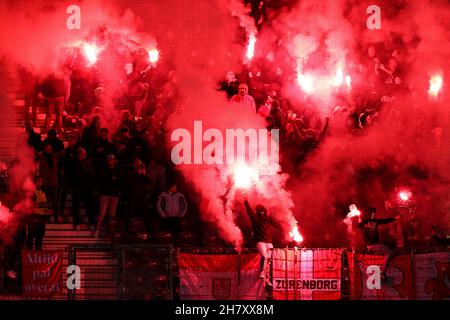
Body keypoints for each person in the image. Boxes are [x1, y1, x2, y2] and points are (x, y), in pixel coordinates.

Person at [358, 207, 400, 282]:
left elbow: (385, 220)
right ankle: (383, 272)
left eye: (374, 213)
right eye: (373, 213)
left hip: (372, 246)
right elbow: (359, 226)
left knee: (383, 253)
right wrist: (395, 218)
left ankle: (380, 268)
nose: (374, 215)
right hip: (374, 245)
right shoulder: (367, 222)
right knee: (390, 253)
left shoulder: (368, 222)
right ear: (370, 214)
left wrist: (394, 218)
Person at [242, 192, 273, 285]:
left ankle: (267, 280)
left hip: (269, 242)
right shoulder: (254, 218)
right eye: (259, 211)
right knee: (265, 256)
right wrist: (245, 199)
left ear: (264, 211)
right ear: (257, 212)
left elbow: (277, 224)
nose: (261, 212)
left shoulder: (267, 219)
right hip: (260, 242)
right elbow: (248, 210)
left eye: (262, 210)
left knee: (269, 261)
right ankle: (262, 272)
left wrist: (287, 229)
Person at [94, 154, 122, 238]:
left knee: (112, 215)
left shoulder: (118, 170)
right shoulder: (103, 169)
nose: (111, 161)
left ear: (115, 160)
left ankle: (110, 232)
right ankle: (97, 230)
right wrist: (111, 178)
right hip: (105, 194)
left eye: (112, 159)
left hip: (114, 194)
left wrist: (112, 179)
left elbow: (119, 180)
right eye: (109, 159)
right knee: (102, 213)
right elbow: (102, 180)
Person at [72, 148, 96, 230]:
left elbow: (89, 175)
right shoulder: (74, 163)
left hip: (86, 188)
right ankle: (77, 223)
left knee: (89, 206)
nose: (85, 155)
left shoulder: (87, 163)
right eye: (83, 154)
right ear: (79, 154)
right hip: (77, 188)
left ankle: (91, 222)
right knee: (76, 206)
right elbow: (74, 176)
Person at [25, 178, 50, 250]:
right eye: (38, 182)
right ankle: (28, 253)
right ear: (34, 183)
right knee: (31, 236)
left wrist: (46, 217)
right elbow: (29, 206)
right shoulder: (32, 193)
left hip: (41, 218)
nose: (40, 183)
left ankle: (38, 252)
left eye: (41, 182)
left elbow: (45, 206)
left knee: (39, 237)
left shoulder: (42, 193)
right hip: (34, 218)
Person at [38, 143, 59, 222]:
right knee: (45, 201)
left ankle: (55, 217)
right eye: (47, 148)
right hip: (45, 182)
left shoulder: (54, 157)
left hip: (54, 182)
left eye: (50, 148)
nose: (49, 150)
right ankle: (46, 216)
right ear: (45, 149)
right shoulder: (42, 157)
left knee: (55, 201)